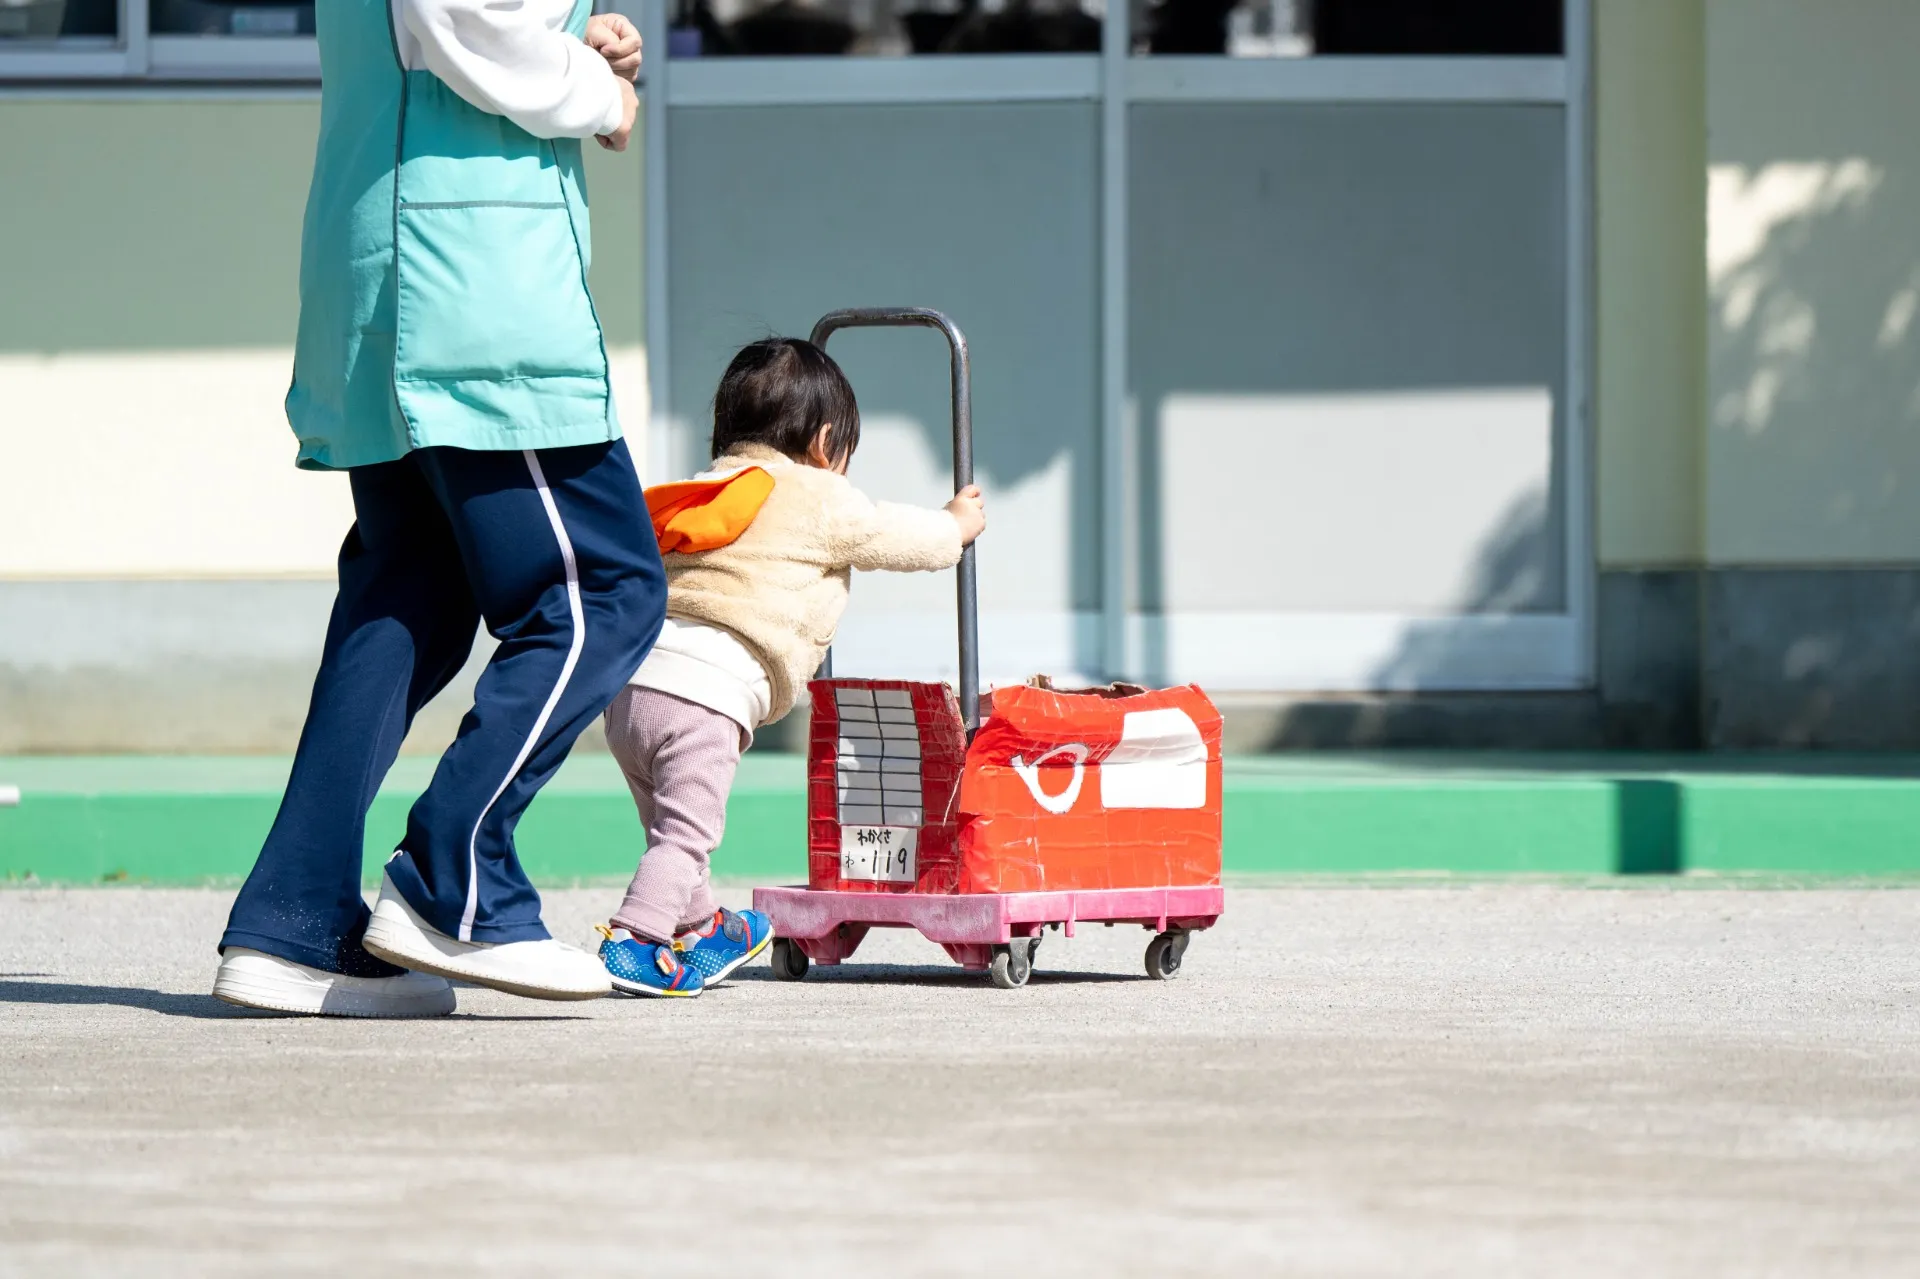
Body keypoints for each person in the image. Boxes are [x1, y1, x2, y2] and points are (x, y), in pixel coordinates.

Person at [212, 0, 660, 1018]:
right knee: (604, 591)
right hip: (473, 291)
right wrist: (600, 90)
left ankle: (291, 923)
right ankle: (458, 881)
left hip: (389, 267)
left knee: (407, 602)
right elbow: (469, 21)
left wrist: (584, 34)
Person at [595, 338, 987, 997]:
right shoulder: (818, 497)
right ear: (826, 442)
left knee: (668, 826)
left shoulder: (710, 485)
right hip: (705, 695)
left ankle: (703, 926)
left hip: (632, 689)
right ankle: (635, 939)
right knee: (685, 835)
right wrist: (954, 525)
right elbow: (898, 536)